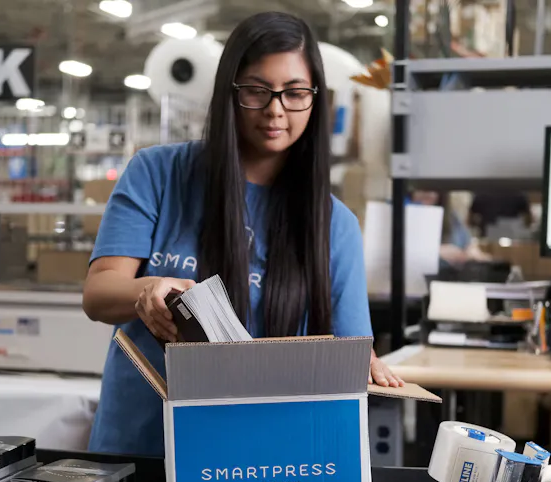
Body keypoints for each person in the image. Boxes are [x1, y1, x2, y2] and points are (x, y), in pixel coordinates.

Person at [82, 12, 404, 457]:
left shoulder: (334, 223)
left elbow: (351, 354)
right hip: (142, 450)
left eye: (295, 93)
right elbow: (98, 294)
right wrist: (147, 289)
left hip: (255, 464)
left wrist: (367, 367)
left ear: (315, 99)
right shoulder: (158, 174)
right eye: (257, 91)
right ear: (229, 93)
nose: (276, 110)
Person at [408, 189, 489, 267]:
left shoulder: (450, 216)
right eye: (424, 190)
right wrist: (437, 252)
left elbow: (467, 243)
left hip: (450, 275)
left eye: (434, 190)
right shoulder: (404, 214)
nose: (430, 195)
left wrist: (471, 252)